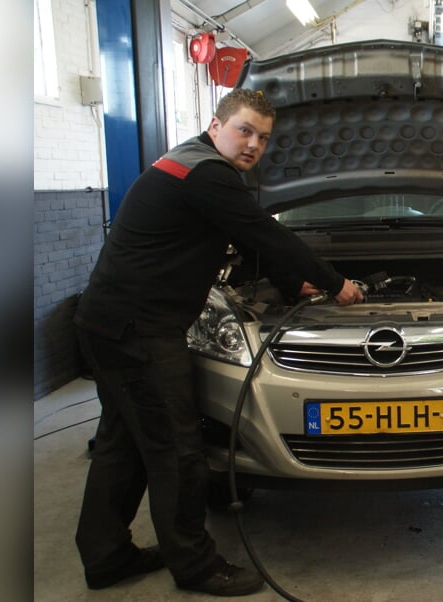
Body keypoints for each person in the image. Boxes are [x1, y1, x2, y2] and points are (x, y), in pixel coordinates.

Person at [73, 88, 363, 597]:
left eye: (264, 137)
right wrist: (334, 282)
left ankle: (105, 556)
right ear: (216, 125)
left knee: (124, 447)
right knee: (177, 450)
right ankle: (196, 566)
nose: (253, 144)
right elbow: (266, 233)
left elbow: (249, 241)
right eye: (245, 130)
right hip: (140, 331)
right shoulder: (208, 174)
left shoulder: (191, 163)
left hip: (108, 324)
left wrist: (293, 283)